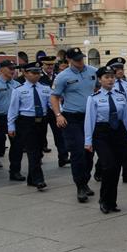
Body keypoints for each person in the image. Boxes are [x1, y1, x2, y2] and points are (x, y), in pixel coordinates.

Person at [84, 66, 127, 213]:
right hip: (102, 134)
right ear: (99, 80)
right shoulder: (93, 98)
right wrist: (88, 141)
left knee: (116, 168)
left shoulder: (120, 95)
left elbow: (126, 117)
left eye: (112, 77)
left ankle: (111, 202)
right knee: (108, 166)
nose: (110, 79)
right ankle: (104, 200)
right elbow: (89, 120)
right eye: (106, 77)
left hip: (119, 133)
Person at [49, 48, 98, 202]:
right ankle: (80, 186)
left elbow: (98, 88)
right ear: (69, 60)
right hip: (72, 118)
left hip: (90, 118)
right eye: (76, 59)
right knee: (78, 152)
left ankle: (85, 180)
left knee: (90, 152)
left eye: (81, 58)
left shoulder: (93, 71)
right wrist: (58, 115)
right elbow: (54, 97)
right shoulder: (63, 77)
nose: (80, 62)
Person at [6, 62, 51, 190]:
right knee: (33, 151)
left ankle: (32, 178)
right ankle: (39, 179)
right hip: (26, 122)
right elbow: (13, 109)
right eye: (33, 73)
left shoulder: (45, 88)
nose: (36, 76)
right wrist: (11, 126)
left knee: (39, 149)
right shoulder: (19, 90)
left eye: (38, 73)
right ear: (25, 73)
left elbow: (52, 104)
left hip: (41, 121)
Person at [0, 60, 24, 181]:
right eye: (10, 68)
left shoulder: (17, 84)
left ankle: (15, 171)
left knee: (17, 146)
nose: (13, 70)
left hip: (14, 118)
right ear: (1, 69)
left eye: (13, 68)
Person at [106, 58, 127, 184]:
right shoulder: (108, 84)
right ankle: (101, 171)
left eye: (122, 69)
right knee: (110, 148)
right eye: (117, 69)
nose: (120, 71)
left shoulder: (126, 85)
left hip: (126, 121)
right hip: (112, 120)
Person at [39, 56, 68, 166]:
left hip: (55, 109)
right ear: (43, 65)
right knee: (41, 135)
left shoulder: (57, 76)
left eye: (52, 65)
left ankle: (63, 157)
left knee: (60, 134)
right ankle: (38, 157)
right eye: (47, 65)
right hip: (43, 110)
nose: (50, 67)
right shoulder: (39, 76)